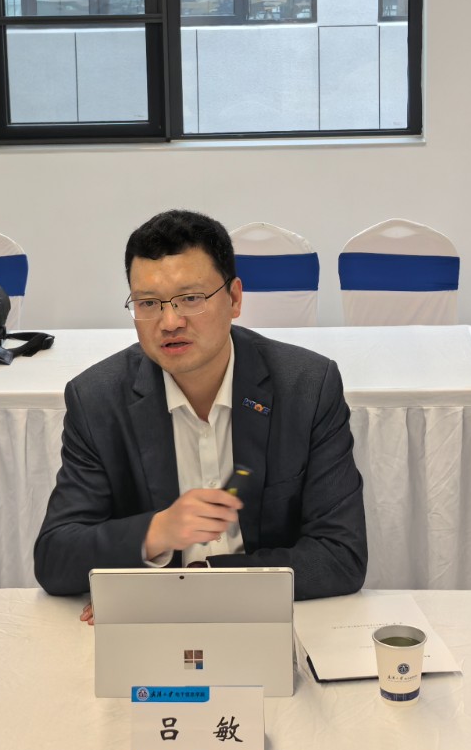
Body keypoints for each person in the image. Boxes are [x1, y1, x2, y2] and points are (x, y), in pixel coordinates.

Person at [34, 210, 367, 609]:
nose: (170, 322)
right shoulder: (97, 400)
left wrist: (196, 581)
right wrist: (156, 532)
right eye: (148, 303)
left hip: (267, 617)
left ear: (235, 299)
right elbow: (55, 558)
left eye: (190, 299)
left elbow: (340, 555)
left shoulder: (307, 387)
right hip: (153, 631)